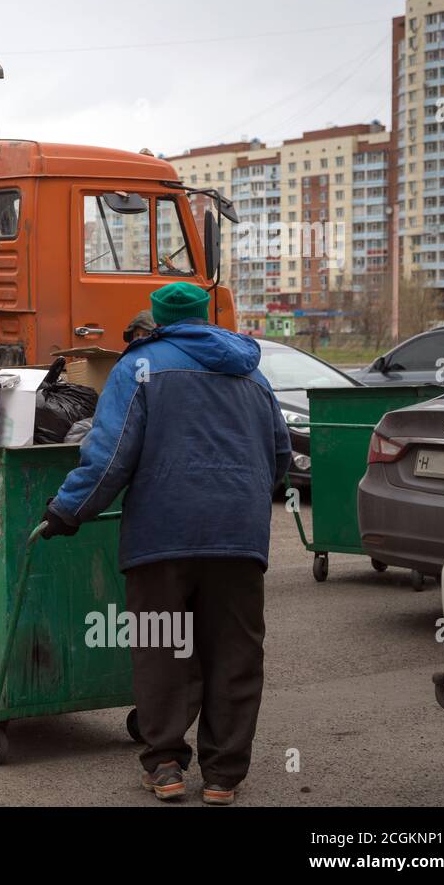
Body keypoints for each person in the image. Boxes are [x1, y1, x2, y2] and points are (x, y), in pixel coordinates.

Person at [40, 281, 291, 805]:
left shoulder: (139, 368)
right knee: (235, 652)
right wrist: (238, 501)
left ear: (157, 318)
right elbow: (280, 455)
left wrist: (67, 511)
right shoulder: (252, 372)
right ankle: (223, 776)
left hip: (163, 538)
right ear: (205, 316)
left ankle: (167, 766)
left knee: (162, 650)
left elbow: (109, 456)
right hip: (238, 541)